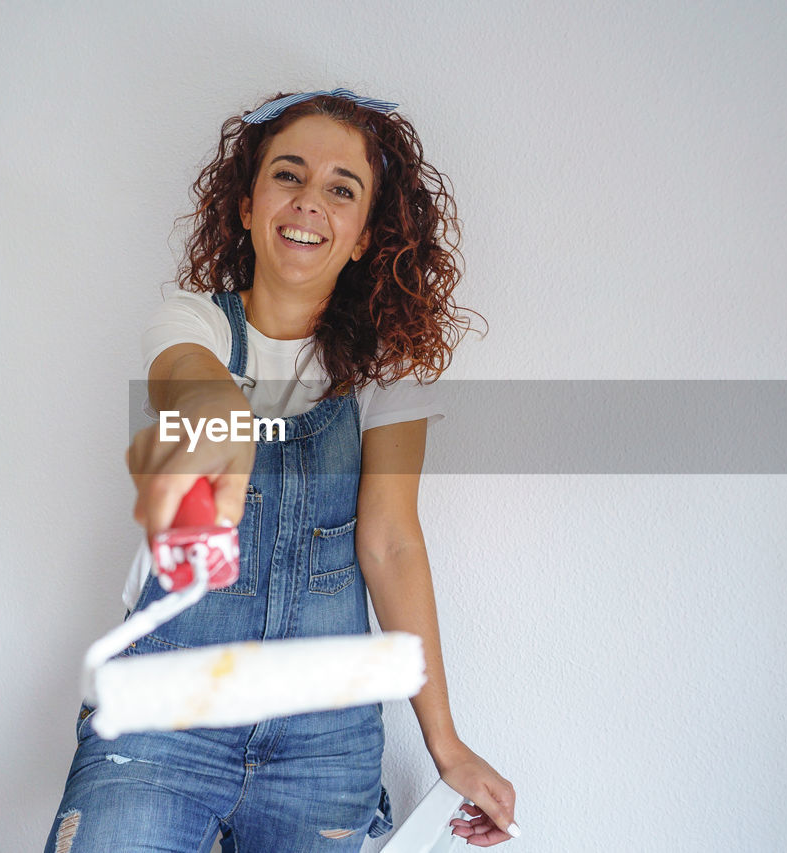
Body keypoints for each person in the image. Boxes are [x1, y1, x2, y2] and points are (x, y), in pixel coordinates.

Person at [45, 89, 518, 852]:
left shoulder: (385, 371)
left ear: (366, 234)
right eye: (287, 175)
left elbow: (392, 543)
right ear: (245, 203)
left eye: (342, 188)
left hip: (324, 749)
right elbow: (187, 380)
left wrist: (449, 745)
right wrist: (218, 420)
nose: (308, 203)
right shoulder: (192, 322)